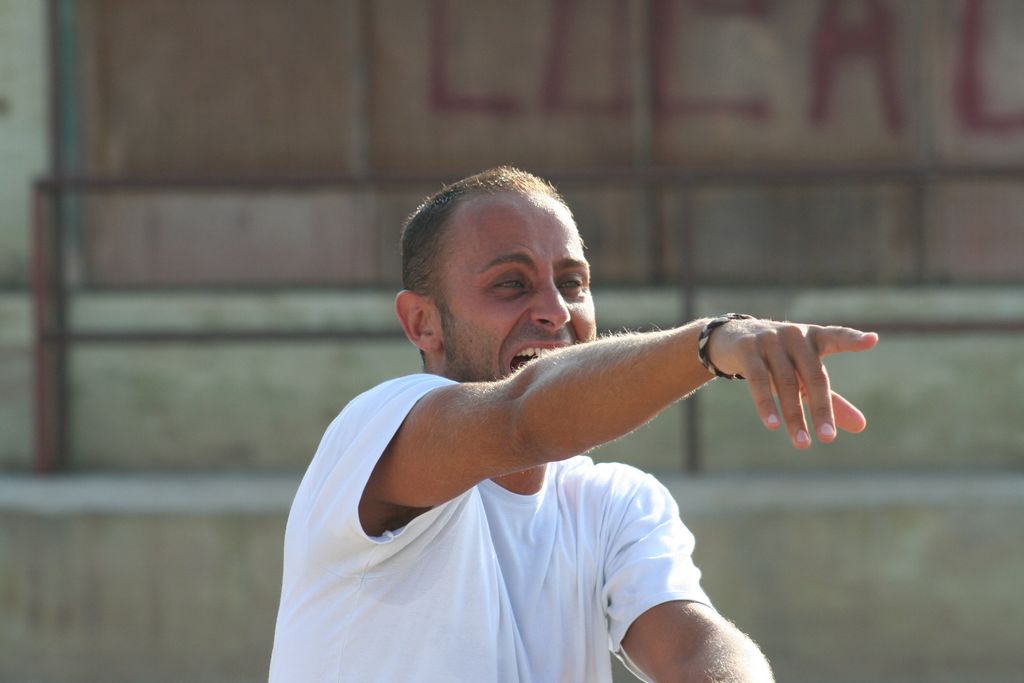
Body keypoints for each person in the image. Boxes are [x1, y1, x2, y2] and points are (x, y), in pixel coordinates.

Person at [268, 167, 878, 682]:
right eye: (511, 283)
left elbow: (695, 650)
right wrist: (712, 342)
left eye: (572, 283)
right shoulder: (379, 425)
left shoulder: (613, 503)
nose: (555, 310)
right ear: (422, 323)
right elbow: (522, 418)